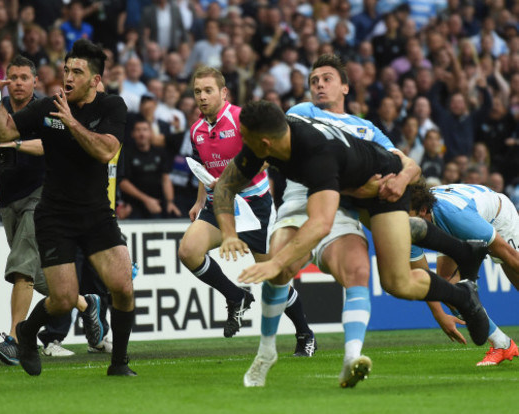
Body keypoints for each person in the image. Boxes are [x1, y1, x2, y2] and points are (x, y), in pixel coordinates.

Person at [212, 100, 490, 388]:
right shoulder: (272, 141)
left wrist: (276, 262)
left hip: (381, 186)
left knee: (398, 282)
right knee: (293, 259)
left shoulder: (315, 153)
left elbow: (320, 224)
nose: (241, 142)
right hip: (344, 186)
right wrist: (230, 233)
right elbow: (225, 185)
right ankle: (461, 254)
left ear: (265, 142)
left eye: (244, 136)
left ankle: (462, 296)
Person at [0, 39, 136, 376]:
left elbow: (105, 151)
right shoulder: (47, 107)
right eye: (66, 69)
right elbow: (4, 131)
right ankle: (26, 332)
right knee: (64, 300)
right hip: (55, 215)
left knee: (123, 287)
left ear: (95, 79)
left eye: (77, 72)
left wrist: (71, 123)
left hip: (97, 213)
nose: (68, 76)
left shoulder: (112, 107)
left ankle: (119, 364)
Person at [275, 53, 422, 387]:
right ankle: (267, 350)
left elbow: (408, 164)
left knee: (360, 273)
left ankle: (351, 357)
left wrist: (400, 179)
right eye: (314, 81)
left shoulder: (366, 128)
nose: (319, 85)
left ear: (345, 86)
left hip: (344, 212)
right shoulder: (300, 114)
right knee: (279, 269)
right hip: (303, 205)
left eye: (327, 79)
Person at [178, 67, 316, 355]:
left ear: (223, 92)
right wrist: (199, 200)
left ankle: (305, 333)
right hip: (219, 205)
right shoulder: (196, 130)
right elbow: (205, 169)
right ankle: (235, 296)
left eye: (208, 90)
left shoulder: (242, 119)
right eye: (197, 91)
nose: (202, 97)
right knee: (188, 251)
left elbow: (266, 156)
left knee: (274, 277)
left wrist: (232, 178)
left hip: (255, 207)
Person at [409, 183, 519, 366]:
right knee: (446, 286)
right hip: (454, 222)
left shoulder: (456, 217)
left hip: (496, 217)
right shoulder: (409, 225)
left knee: (514, 268)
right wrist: (439, 315)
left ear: (422, 211)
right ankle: (502, 344)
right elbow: (422, 276)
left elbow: (511, 256)